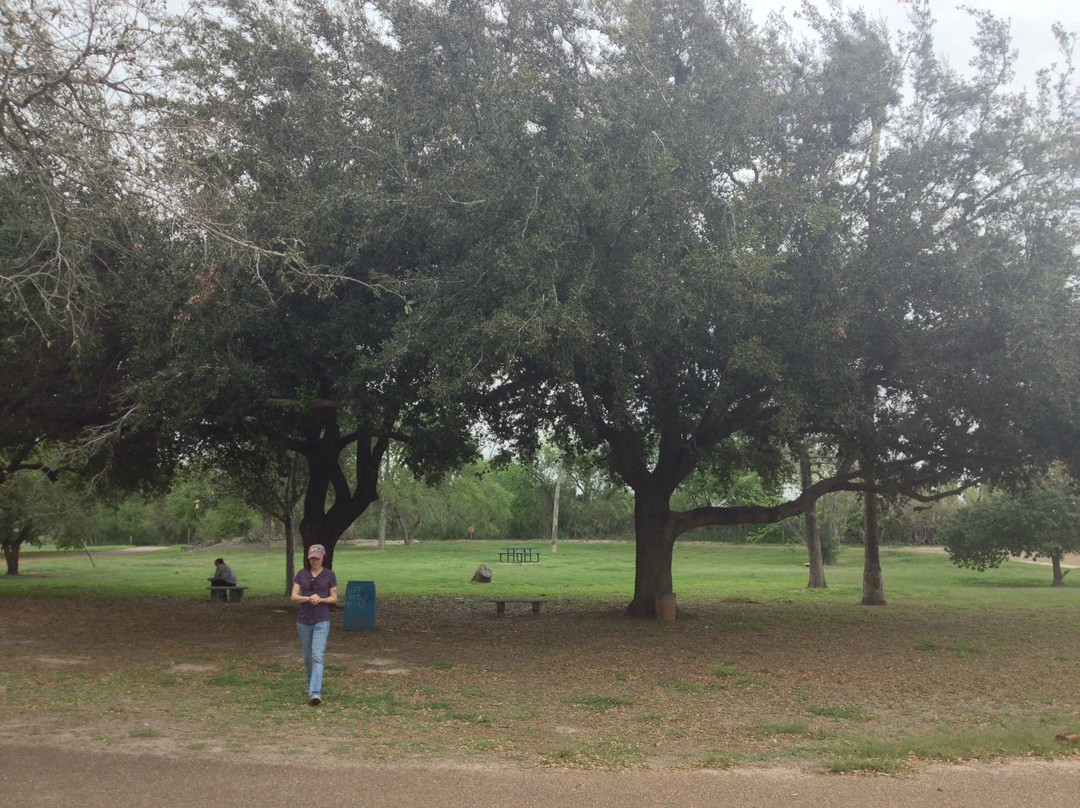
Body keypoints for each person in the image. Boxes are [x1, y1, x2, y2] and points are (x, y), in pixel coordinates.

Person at [290, 544, 337, 707]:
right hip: (303, 620)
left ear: (323, 557)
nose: (314, 560)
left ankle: (315, 693)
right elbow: (294, 596)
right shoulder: (301, 574)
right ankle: (310, 685)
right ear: (308, 558)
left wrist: (321, 600)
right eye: (312, 558)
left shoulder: (329, 575)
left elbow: (334, 598)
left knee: (317, 655)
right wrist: (307, 598)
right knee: (308, 656)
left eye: (317, 558)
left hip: (322, 620)